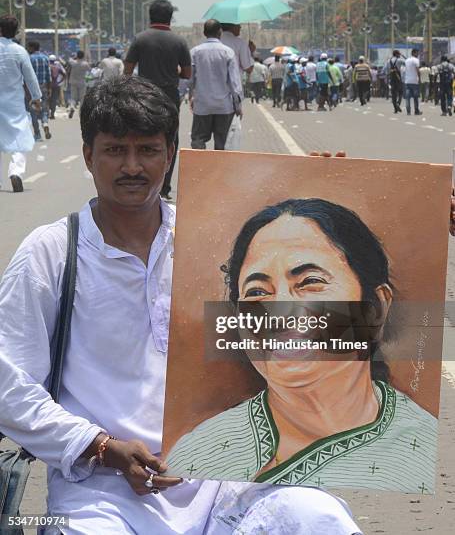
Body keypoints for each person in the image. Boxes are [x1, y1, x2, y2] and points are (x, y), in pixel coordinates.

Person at [0, 76, 362, 535]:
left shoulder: (213, 241)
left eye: (148, 150)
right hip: (102, 495)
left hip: (228, 482)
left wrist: (337, 190)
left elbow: (314, 321)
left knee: (317, 518)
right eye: (115, 150)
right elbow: (10, 387)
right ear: (89, 155)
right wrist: (100, 445)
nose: (132, 166)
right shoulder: (52, 253)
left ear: (170, 153)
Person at [167, 198, 437, 493]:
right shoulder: (200, 453)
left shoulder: (419, 447)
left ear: (376, 310)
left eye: (310, 282)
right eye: (257, 292)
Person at [124, 0, 191, 201]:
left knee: (141, 138)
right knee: (169, 140)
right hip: (169, 98)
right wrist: (172, 71)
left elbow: (127, 71)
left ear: (150, 17)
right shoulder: (179, 42)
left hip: (143, 96)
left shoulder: (140, 39)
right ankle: (164, 186)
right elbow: (187, 73)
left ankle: (143, 180)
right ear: (170, 18)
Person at [0, 14, 41, 193]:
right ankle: (16, 172)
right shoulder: (19, 51)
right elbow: (30, 78)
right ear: (16, 31)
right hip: (14, 104)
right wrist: (37, 97)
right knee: (20, 139)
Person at [189, 19, 242, 150]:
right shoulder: (228, 52)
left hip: (202, 105)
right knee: (221, 143)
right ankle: (219, 169)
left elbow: (189, 79)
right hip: (224, 106)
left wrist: (190, 96)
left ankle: (201, 167)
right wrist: (238, 105)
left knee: (198, 140)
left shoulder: (195, 52)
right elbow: (234, 82)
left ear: (204, 33)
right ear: (220, 32)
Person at [27, 39, 52, 141]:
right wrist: (49, 88)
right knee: (44, 109)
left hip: (32, 88)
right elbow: (48, 76)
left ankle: (37, 134)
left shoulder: (29, 58)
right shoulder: (45, 58)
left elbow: (27, 75)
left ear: (32, 48)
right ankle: (45, 123)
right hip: (43, 87)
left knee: (33, 110)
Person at [68, 50, 90, 119]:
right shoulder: (85, 64)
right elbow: (89, 69)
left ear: (77, 55)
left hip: (73, 82)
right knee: (82, 98)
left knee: (73, 97)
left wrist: (75, 57)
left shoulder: (73, 62)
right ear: (83, 56)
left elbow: (69, 59)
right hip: (82, 82)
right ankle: (81, 113)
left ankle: (72, 107)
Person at [404, 49, 422, 116]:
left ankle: (408, 111)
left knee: (407, 97)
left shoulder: (407, 60)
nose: (418, 54)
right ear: (414, 53)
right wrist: (419, 79)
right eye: (417, 53)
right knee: (415, 97)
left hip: (407, 81)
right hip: (414, 81)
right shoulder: (416, 60)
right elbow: (417, 70)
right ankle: (416, 111)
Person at [49, 54, 66, 120]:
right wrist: (60, 82)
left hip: (48, 86)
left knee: (47, 100)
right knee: (54, 100)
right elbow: (64, 74)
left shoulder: (48, 66)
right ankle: (52, 114)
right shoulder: (57, 67)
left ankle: (47, 113)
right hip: (56, 85)